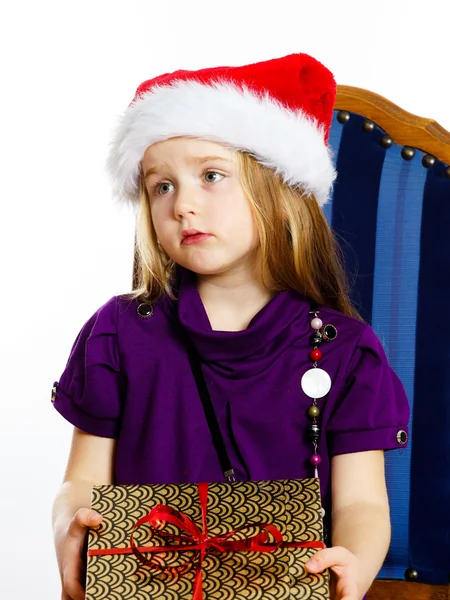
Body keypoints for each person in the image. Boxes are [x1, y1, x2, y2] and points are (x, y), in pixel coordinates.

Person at [51, 52, 410, 600]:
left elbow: (361, 502)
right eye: (160, 186)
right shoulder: (117, 331)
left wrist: (353, 567)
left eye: (211, 175)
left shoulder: (346, 351)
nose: (183, 205)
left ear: (280, 191)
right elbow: (83, 478)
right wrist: (69, 530)